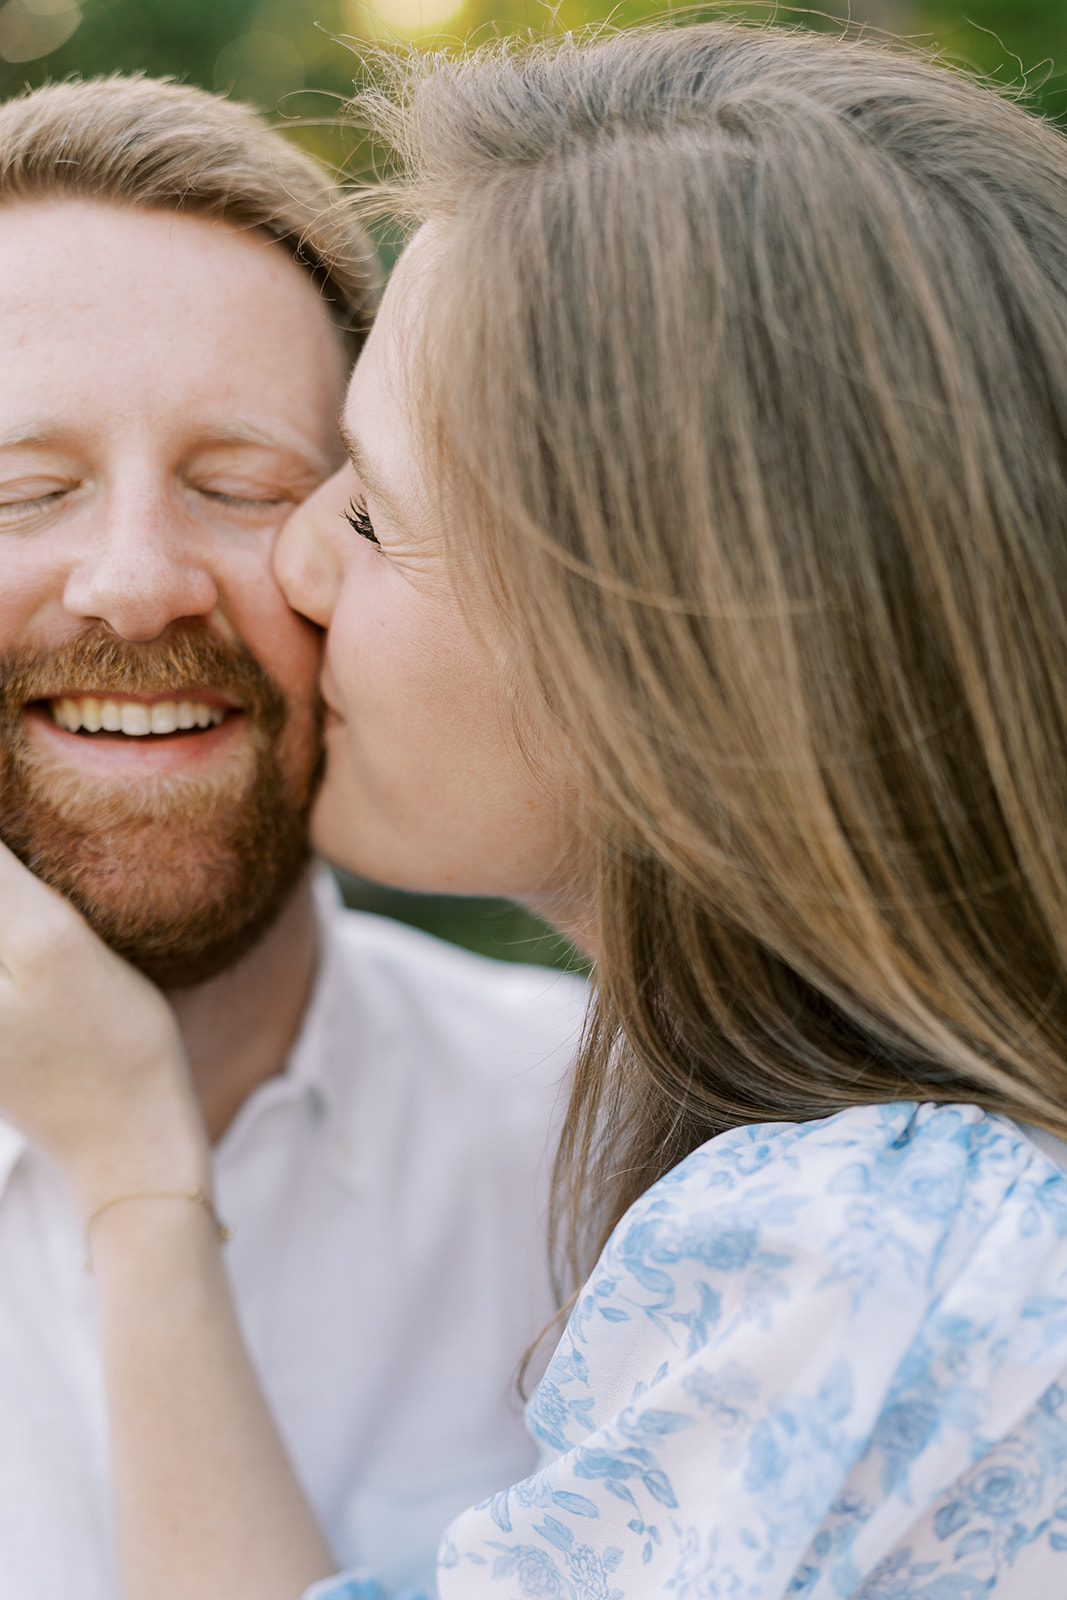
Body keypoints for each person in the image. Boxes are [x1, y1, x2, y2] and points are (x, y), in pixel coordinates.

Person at [3, 16, 1067, 1599]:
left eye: (317, 493)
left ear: (668, 631)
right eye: (22, 486)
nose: (176, 576)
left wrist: (134, 1171)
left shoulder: (867, 1242)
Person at [0, 75, 586, 1600]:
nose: (136, 583)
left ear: (367, 540)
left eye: (245, 487)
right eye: (23, 490)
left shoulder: (617, 1147)